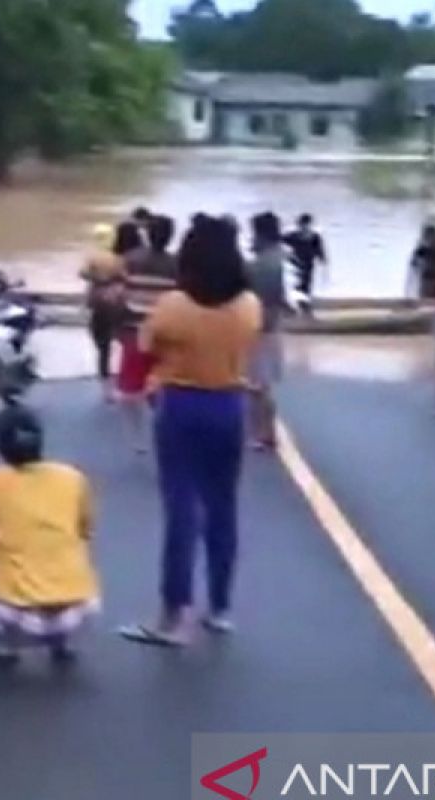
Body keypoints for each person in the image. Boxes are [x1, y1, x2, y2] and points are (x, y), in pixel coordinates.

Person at [120, 216, 261, 647]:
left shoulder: (174, 306)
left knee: (181, 508)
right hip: (230, 405)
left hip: (181, 404)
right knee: (223, 508)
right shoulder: (248, 306)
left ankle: (173, 615)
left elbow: (145, 345)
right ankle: (220, 608)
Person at [0, 407, 100, 665]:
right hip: (80, 607)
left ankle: (3, 646)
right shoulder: (72, 477)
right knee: (61, 559)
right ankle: (61, 642)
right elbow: (85, 528)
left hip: (17, 613)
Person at [118, 215, 178, 453]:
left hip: (134, 330)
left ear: (147, 234)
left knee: (130, 390)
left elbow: (121, 294)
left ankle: (137, 439)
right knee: (165, 384)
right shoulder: (177, 264)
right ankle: (164, 425)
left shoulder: (130, 260)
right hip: (166, 334)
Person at [246, 213, 292, 452]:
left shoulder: (265, 263)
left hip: (261, 328)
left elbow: (264, 297)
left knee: (257, 386)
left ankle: (263, 434)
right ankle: (266, 432)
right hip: (271, 327)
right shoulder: (276, 258)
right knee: (260, 385)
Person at [79, 224, 126, 397]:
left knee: (102, 346)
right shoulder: (117, 258)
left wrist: (97, 278)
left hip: (97, 301)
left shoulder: (92, 258)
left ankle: (106, 387)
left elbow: (82, 274)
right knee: (121, 340)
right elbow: (124, 276)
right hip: (115, 301)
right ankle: (123, 379)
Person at [284, 213, 328, 303]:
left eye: (306, 224)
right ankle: (299, 301)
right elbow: (278, 241)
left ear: (309, 225)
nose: (304, 227)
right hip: (295, 263)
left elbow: (319, 249)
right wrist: (286, 256)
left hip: (308, 263)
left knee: (307, 283)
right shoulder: (293, 235)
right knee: (297, 283)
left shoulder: (314, 236)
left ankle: (304, 301)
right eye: (302, 224)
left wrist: (323, 259)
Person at [408, 224, 435, 305]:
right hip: (429, 281)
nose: (428, 240)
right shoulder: (422, 250)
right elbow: (413, 265)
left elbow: (414, 266)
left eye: (428, 236)